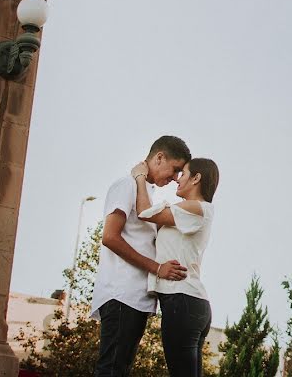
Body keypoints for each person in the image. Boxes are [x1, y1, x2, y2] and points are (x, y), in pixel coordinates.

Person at [91, 135, 191, 377]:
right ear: (159, 157)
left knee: (119, 369)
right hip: (121, 294)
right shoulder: (126, 185)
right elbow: (110, 237)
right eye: (175, 169)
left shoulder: (145, 194)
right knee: (112, 370)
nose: (176, 177)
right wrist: (157, 268)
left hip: (135, 299)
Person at [133, 157, 220, 377]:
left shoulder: (196, 208)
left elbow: (144, 212)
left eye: (183, 174)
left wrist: (140, 177)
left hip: (182, 301)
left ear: (196, 178)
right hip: (190, 303)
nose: (177, 180)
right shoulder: (191, 211)